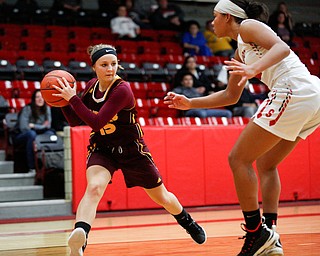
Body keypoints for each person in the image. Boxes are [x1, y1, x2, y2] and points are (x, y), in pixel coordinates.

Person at [164, 0, 320, 255]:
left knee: (238, 159)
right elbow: (230, 96)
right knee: (266, 164)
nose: (211, 21)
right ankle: (271, 234)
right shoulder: (240, 50)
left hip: (294, 89)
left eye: (214, 16)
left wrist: (253, 69)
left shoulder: (248, 26)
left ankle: (255, 232)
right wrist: (190, 101)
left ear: (227, 16)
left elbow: (281, 46)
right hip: (311, 97)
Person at [53, 44, 206, 256]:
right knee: (95, 187)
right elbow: (75, 121)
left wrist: (73, 99)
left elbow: (96, 121)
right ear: (94, 67)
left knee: (162, 197)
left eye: (114, 64)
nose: (110, 68)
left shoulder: (122, 89)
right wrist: (61, 101)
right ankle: (80, 237)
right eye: (104, 65)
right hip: (103, 147)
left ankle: (188, 222)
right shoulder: (91, 86)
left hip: (132, 149)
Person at [13, 89, 55, 173]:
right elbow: (24, 127)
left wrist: (34, 126)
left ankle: (50, 164)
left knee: (50, 134)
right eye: (37, 97)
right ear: (33, 99)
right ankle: (32, 167)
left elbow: (48, 126)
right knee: (31, 134)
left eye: (42, 97)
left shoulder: (47, 109)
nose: (40, 99)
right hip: (22, 135)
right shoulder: (27, 109)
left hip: (38, 133)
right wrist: (42, 127)